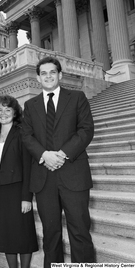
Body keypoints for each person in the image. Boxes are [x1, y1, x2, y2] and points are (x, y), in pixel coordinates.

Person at [21, 56, 95, 267]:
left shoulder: (77, 97)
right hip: (45, 179)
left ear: (60, 75)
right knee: (50, 235)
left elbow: (86, 130)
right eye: (43, 73)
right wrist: (45, 155)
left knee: (80, 232)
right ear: (38, 78)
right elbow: (27, 136)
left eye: (52, 72)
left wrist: (61, 154)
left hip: (74, 174)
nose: (48, 76)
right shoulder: (30, 105)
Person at [0, 95, 38, 268]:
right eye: (0, 110)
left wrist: (26, 197)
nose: (3, 113)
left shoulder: (23, 132)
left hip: (18, 189)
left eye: (8, 109)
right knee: (6, 234)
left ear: (15, 112)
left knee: (23, 234)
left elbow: (28, 166)